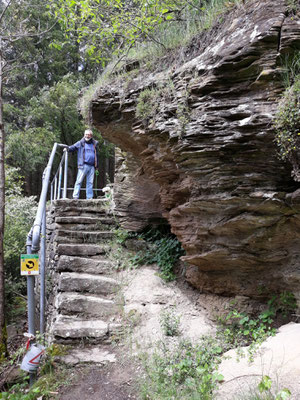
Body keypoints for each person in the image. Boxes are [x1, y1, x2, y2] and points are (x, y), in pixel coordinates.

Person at [65, 129, 99, 199]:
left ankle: (89, 198)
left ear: (91, 136)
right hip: (83, 165)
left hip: (92, 166)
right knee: (79, 181)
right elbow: (73, 147)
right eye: (86, 134)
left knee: (90, 183)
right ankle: (75, 196)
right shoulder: (80, 143)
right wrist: (67, 149)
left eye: (89, 135)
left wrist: (96, 166)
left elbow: (96, 155)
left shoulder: (94, 144)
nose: (87, 136)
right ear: (84, 135)